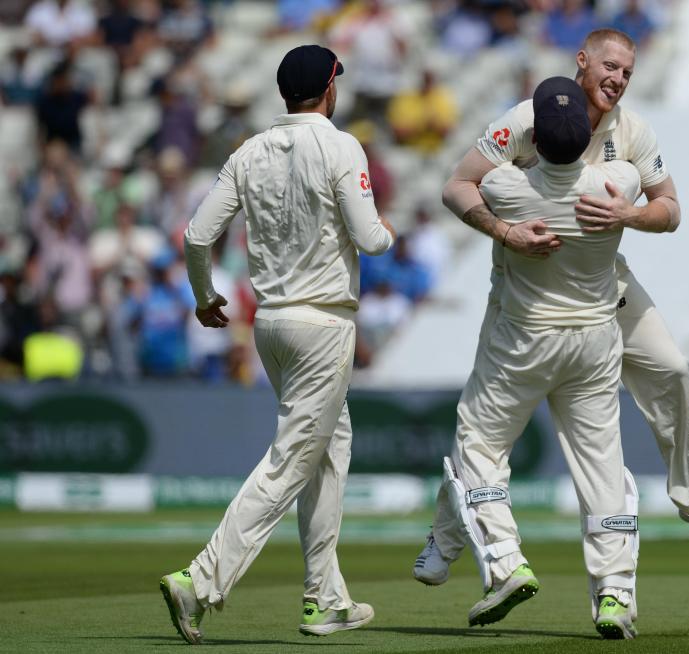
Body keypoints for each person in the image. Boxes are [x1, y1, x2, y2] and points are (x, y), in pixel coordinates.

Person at [414, 26, 689, 592]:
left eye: (628, 72)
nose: (619, 80)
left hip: (607, 284)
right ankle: (447, 538)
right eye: (611, 67)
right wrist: (504, 229)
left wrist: (629, 217)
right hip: (523, 286)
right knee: (487, 426)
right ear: (583, 61)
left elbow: (670, 209)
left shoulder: (635, 132)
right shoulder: (528, 118)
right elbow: (457, 186)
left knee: (671, 367)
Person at [159, 44, 396, 645]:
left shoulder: (248, 152)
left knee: (327, 448)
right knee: (293, 459)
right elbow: (370, 240)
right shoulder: (342, 145)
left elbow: (195, 236)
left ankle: (325, 598)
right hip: (323, 325)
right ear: (330, 88)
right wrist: (389, 230)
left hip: (271, 323)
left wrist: (204, 296)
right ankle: (202, 580)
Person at [430, 76, 645, 638]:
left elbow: (463, 186)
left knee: (477, 442)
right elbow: (643, 183)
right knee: (600, 464)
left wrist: (506, 231)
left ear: (536, 140)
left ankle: (504, 561)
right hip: (596, 340)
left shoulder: (506, 187)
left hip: (525, 341)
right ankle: (615, 593)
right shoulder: (617, 180)